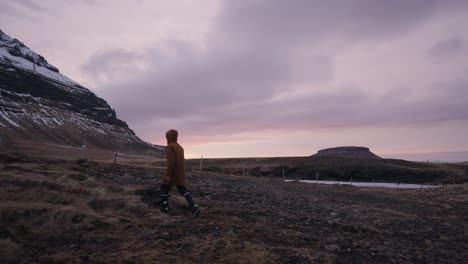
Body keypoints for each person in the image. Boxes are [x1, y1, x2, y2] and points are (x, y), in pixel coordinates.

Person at [160, 129, 200, 218]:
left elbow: (171, 162)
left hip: (172, 174)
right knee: (183, 190)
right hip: (180, 174)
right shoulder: (180, 147)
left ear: (169, 137)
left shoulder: (170, 147)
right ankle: (194, 207)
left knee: (164, 190)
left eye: (167, 136)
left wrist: (168, 175)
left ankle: (165, 209)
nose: (166, 138)